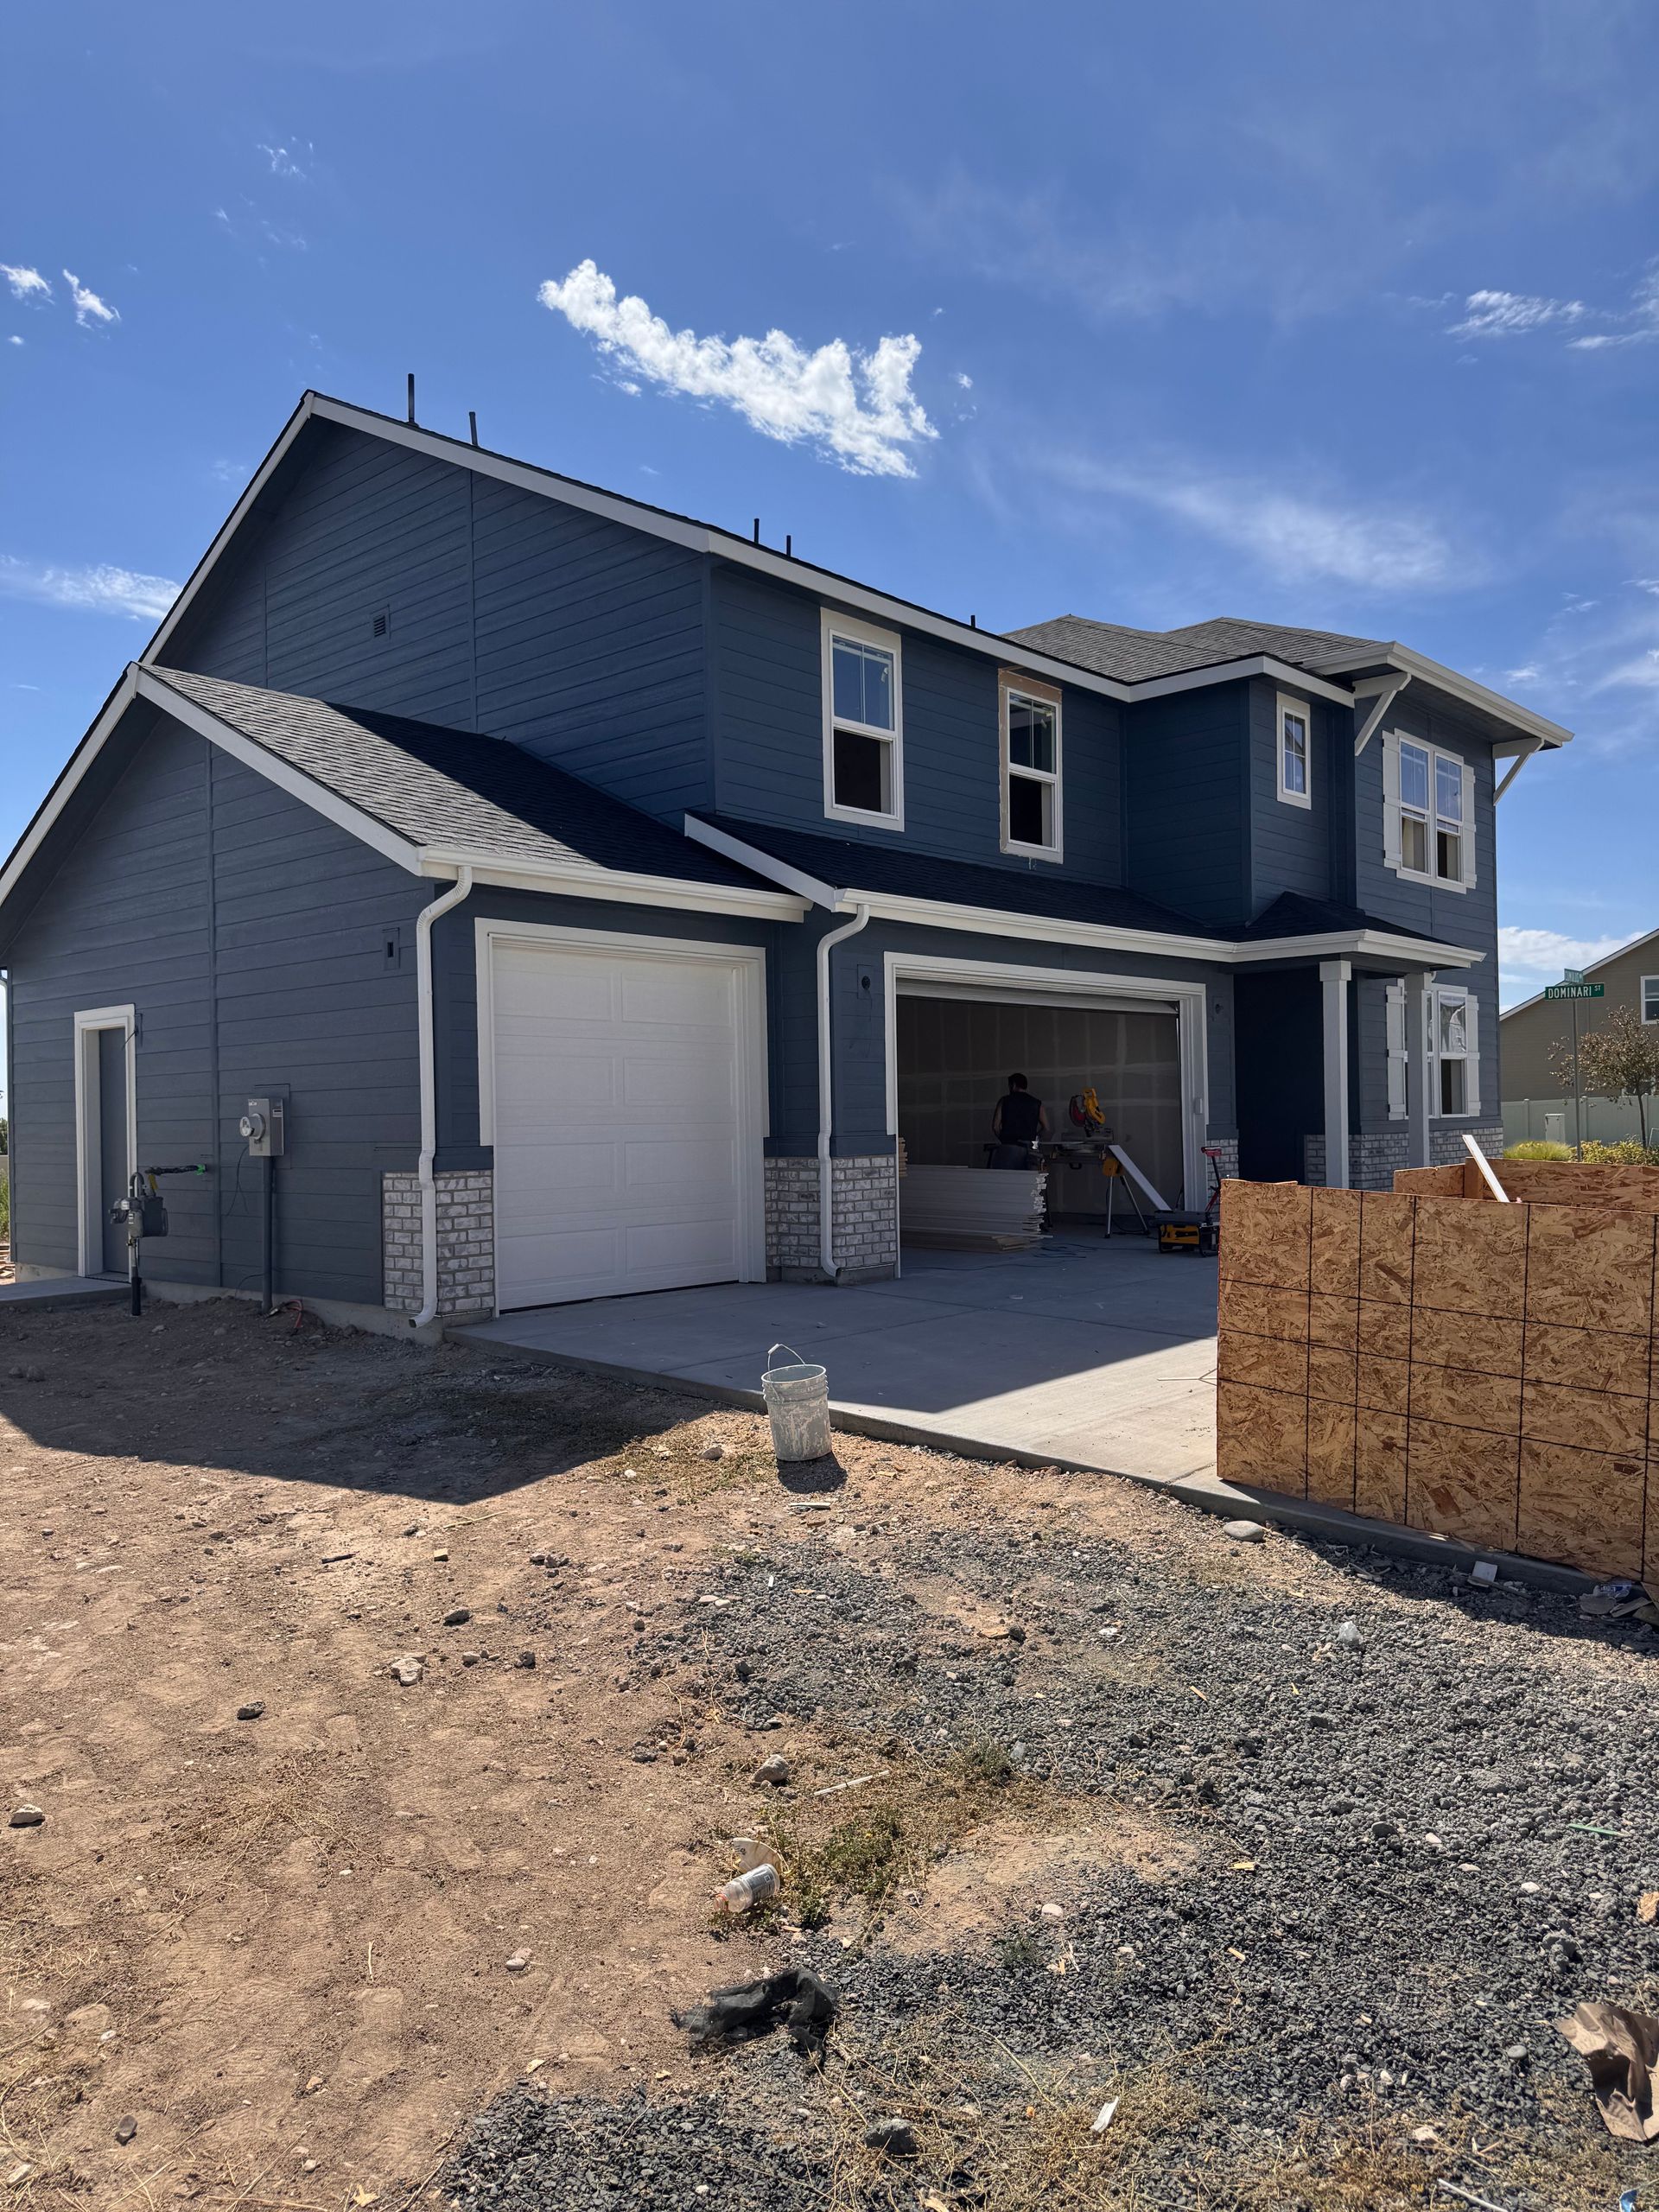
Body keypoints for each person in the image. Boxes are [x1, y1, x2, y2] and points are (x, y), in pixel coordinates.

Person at [989, 1072, 1047, 1166]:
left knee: (1005, 1178)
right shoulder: (1037, 1103)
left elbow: (996, 1126)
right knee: (1026, 1178)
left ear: (1013, 1085)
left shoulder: (1004, 1101)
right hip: (1028, 1149)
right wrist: (1035, 1140)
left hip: (1008, 1148)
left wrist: (1004, 1139)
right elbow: (1046, 1128)